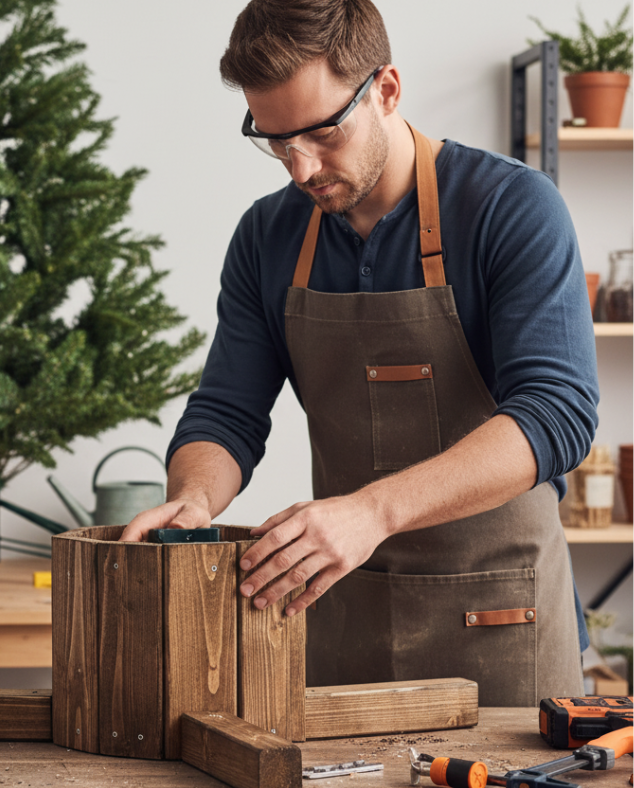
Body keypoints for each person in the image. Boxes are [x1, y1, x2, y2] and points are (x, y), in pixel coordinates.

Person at [120, 0, 598, 706]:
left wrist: (371, 512)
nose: (300, 168)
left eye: (320, 134)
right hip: (344, 629)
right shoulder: (268, 236)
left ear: (386, 90)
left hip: (504, 624)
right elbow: (226, 411)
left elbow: (557, 415)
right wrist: (194, 499)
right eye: (276, 141)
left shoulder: (511, 208)